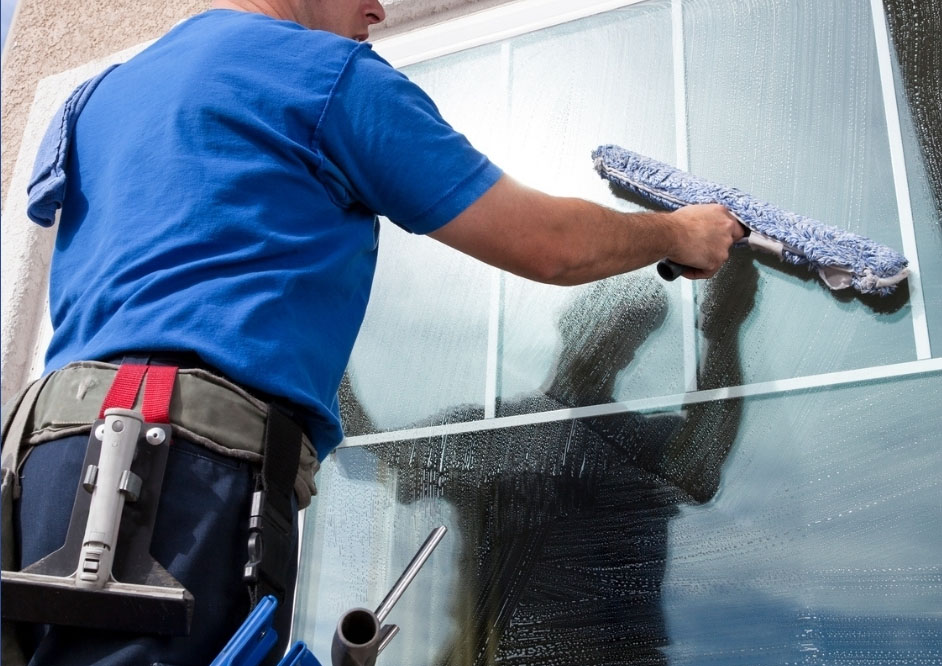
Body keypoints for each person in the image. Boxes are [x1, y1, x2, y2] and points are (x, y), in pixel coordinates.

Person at [1, 0, 744, 664]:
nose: (379, 10)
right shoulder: (325, 78)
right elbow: (548, 242)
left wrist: (331, 385)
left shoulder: (99, 98)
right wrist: (678, 233)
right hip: (174, 479)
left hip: (46, 473)